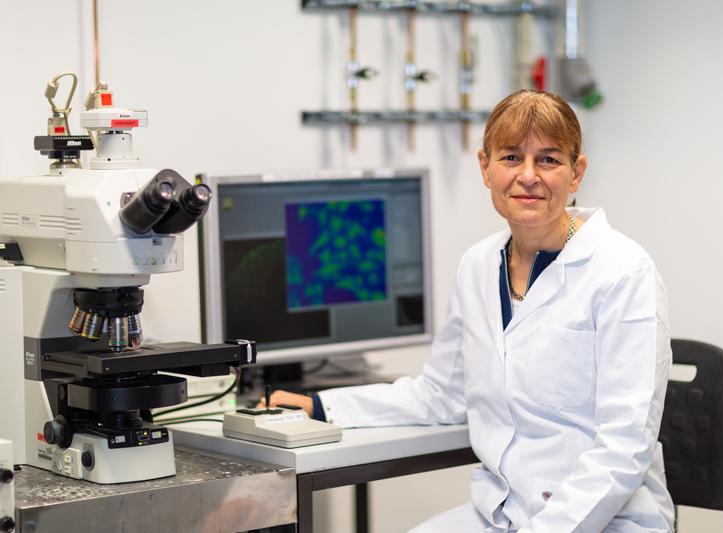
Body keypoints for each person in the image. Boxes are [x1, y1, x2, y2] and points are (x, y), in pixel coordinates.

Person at [268, 90, 675, 532]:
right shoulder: (478, 265)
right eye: (511, 157)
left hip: (603, 520)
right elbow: (440, 394)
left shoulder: (622, 271)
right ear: (485, 167)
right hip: (502, 512)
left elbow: (623, 446)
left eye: (549, 160)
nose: (528, 176)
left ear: (576, 173)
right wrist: (322, 405)